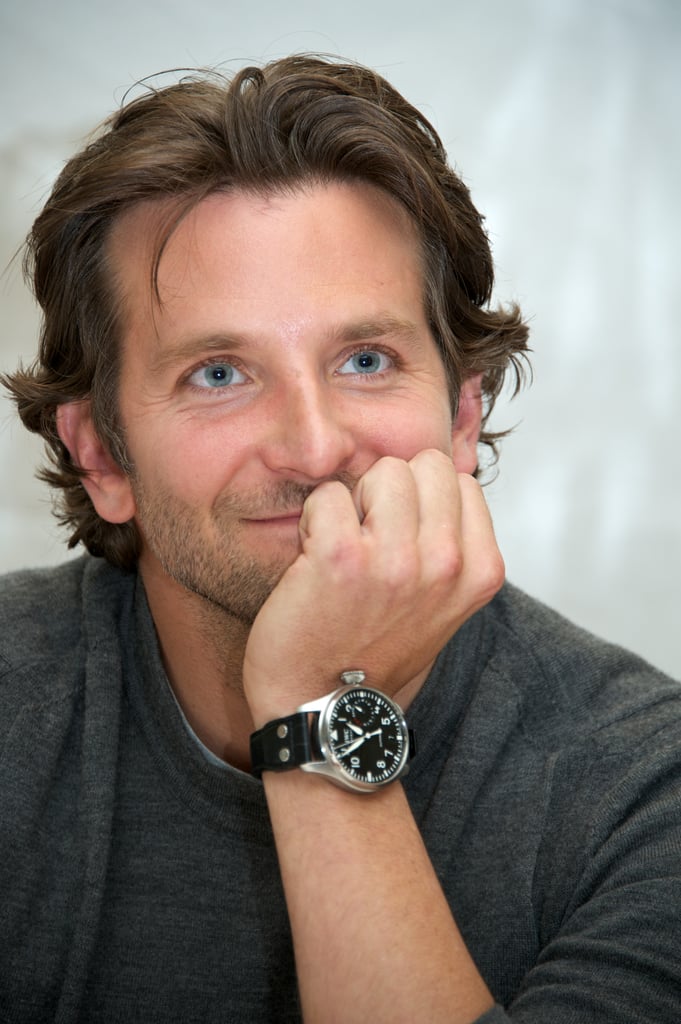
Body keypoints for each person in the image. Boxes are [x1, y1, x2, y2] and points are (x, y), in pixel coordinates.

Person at [1, 54, 679, 1024]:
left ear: (458, 417)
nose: (316, 447)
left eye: (366, 359)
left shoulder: (643, 785)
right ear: (103, 455)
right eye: (219, 374)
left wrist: (317, 717)